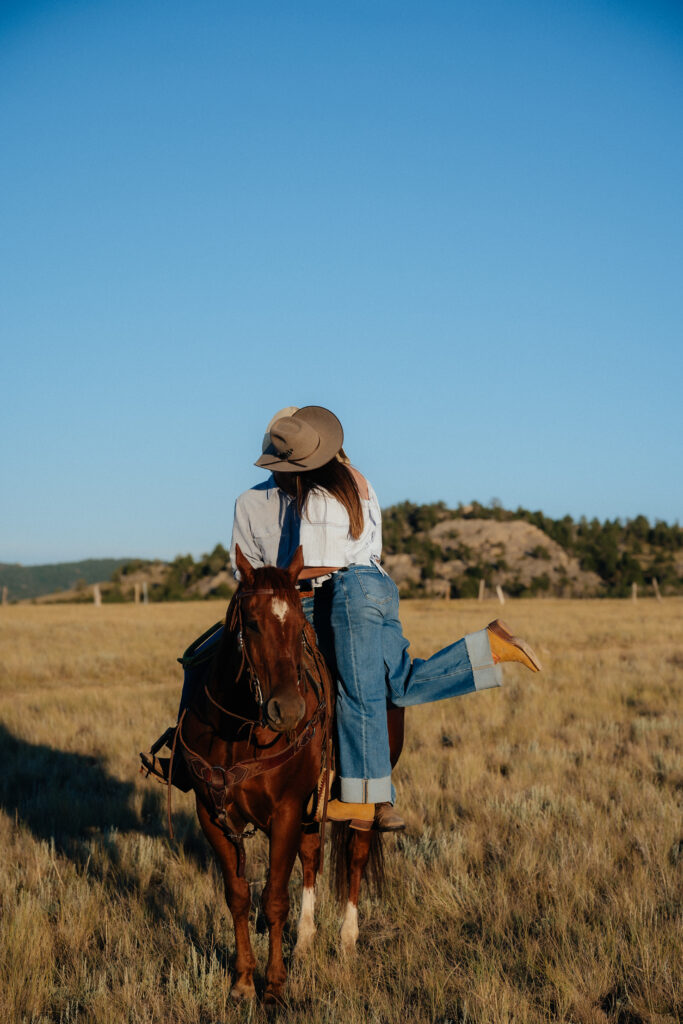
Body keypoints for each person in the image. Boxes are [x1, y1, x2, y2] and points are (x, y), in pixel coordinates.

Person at [233, 405, 542, 831]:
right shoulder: (358, 482)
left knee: (352, 692)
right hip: (378, 588)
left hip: (343, 594)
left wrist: (281, 583)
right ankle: (487, 648)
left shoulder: (318, 496)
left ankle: (365, 798)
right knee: (396, 683)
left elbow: (324, 564)